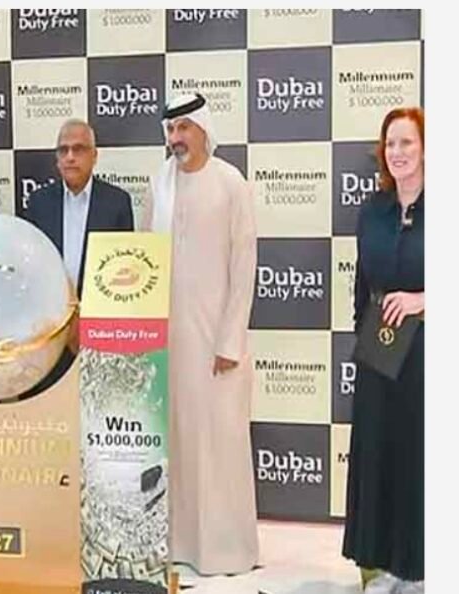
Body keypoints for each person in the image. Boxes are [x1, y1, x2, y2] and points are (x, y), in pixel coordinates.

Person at [146, 93, 258, 576]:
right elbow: (145, 262)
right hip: (169, 344)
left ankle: (227, 550)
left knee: (219, 445)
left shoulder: (231, 184)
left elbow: (244, 268)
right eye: (171, 130)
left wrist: (230, 341)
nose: (176, 139)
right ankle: (180, 544)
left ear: (203, 130)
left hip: (216, 344)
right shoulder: (159, 185)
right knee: (178, 445)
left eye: (184, 129)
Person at [343, 108, 424, 594]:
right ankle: (381, 564)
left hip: (429, 353)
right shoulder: (372, 210)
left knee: (419, 453)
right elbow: (362, 281)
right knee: (378, 453)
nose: (397, 152)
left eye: (407, 142)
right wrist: (363, 337)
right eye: (390, 144)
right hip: (380, 348)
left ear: (427, 148)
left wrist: (424, 300)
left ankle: (423, 566)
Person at [22, 119, 134, 295]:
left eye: (78, 149)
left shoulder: (117, 203)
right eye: (63, 150)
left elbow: (124, 266)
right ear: (57, 159)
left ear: (94, 156)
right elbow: (31, 265)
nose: (70, 157)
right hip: (52, 306)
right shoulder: (38, 203)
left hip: (100, 306)